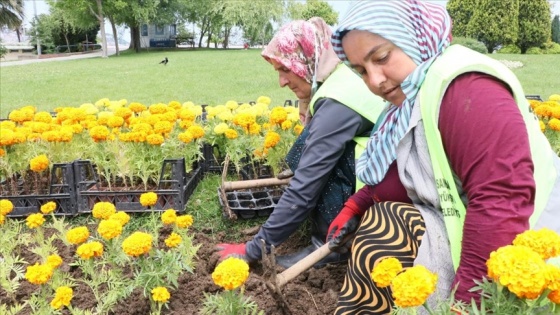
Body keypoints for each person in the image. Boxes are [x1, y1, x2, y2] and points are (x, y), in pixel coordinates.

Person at [325, 1, 560, 314]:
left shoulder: (466, 89)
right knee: (383, 219)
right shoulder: (413, 97)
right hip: (473, 228)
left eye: (381, 58)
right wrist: (356, 205)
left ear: (414, 38)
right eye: (361, 71)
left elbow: (500, 204)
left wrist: (464, 305)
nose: (374, 80)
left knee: (386, 226)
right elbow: (408, 172)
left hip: (530, 245)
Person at [216, 17, 385, 268]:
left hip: (382, 189)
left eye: (285, 69)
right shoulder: (336, 78)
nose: (281, 82)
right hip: (379, 176)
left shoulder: (339, 100)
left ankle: (330, 246)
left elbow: (305, 189)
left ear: (306, 60)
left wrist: (253, 250)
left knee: (320, 163)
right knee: (308, 150)